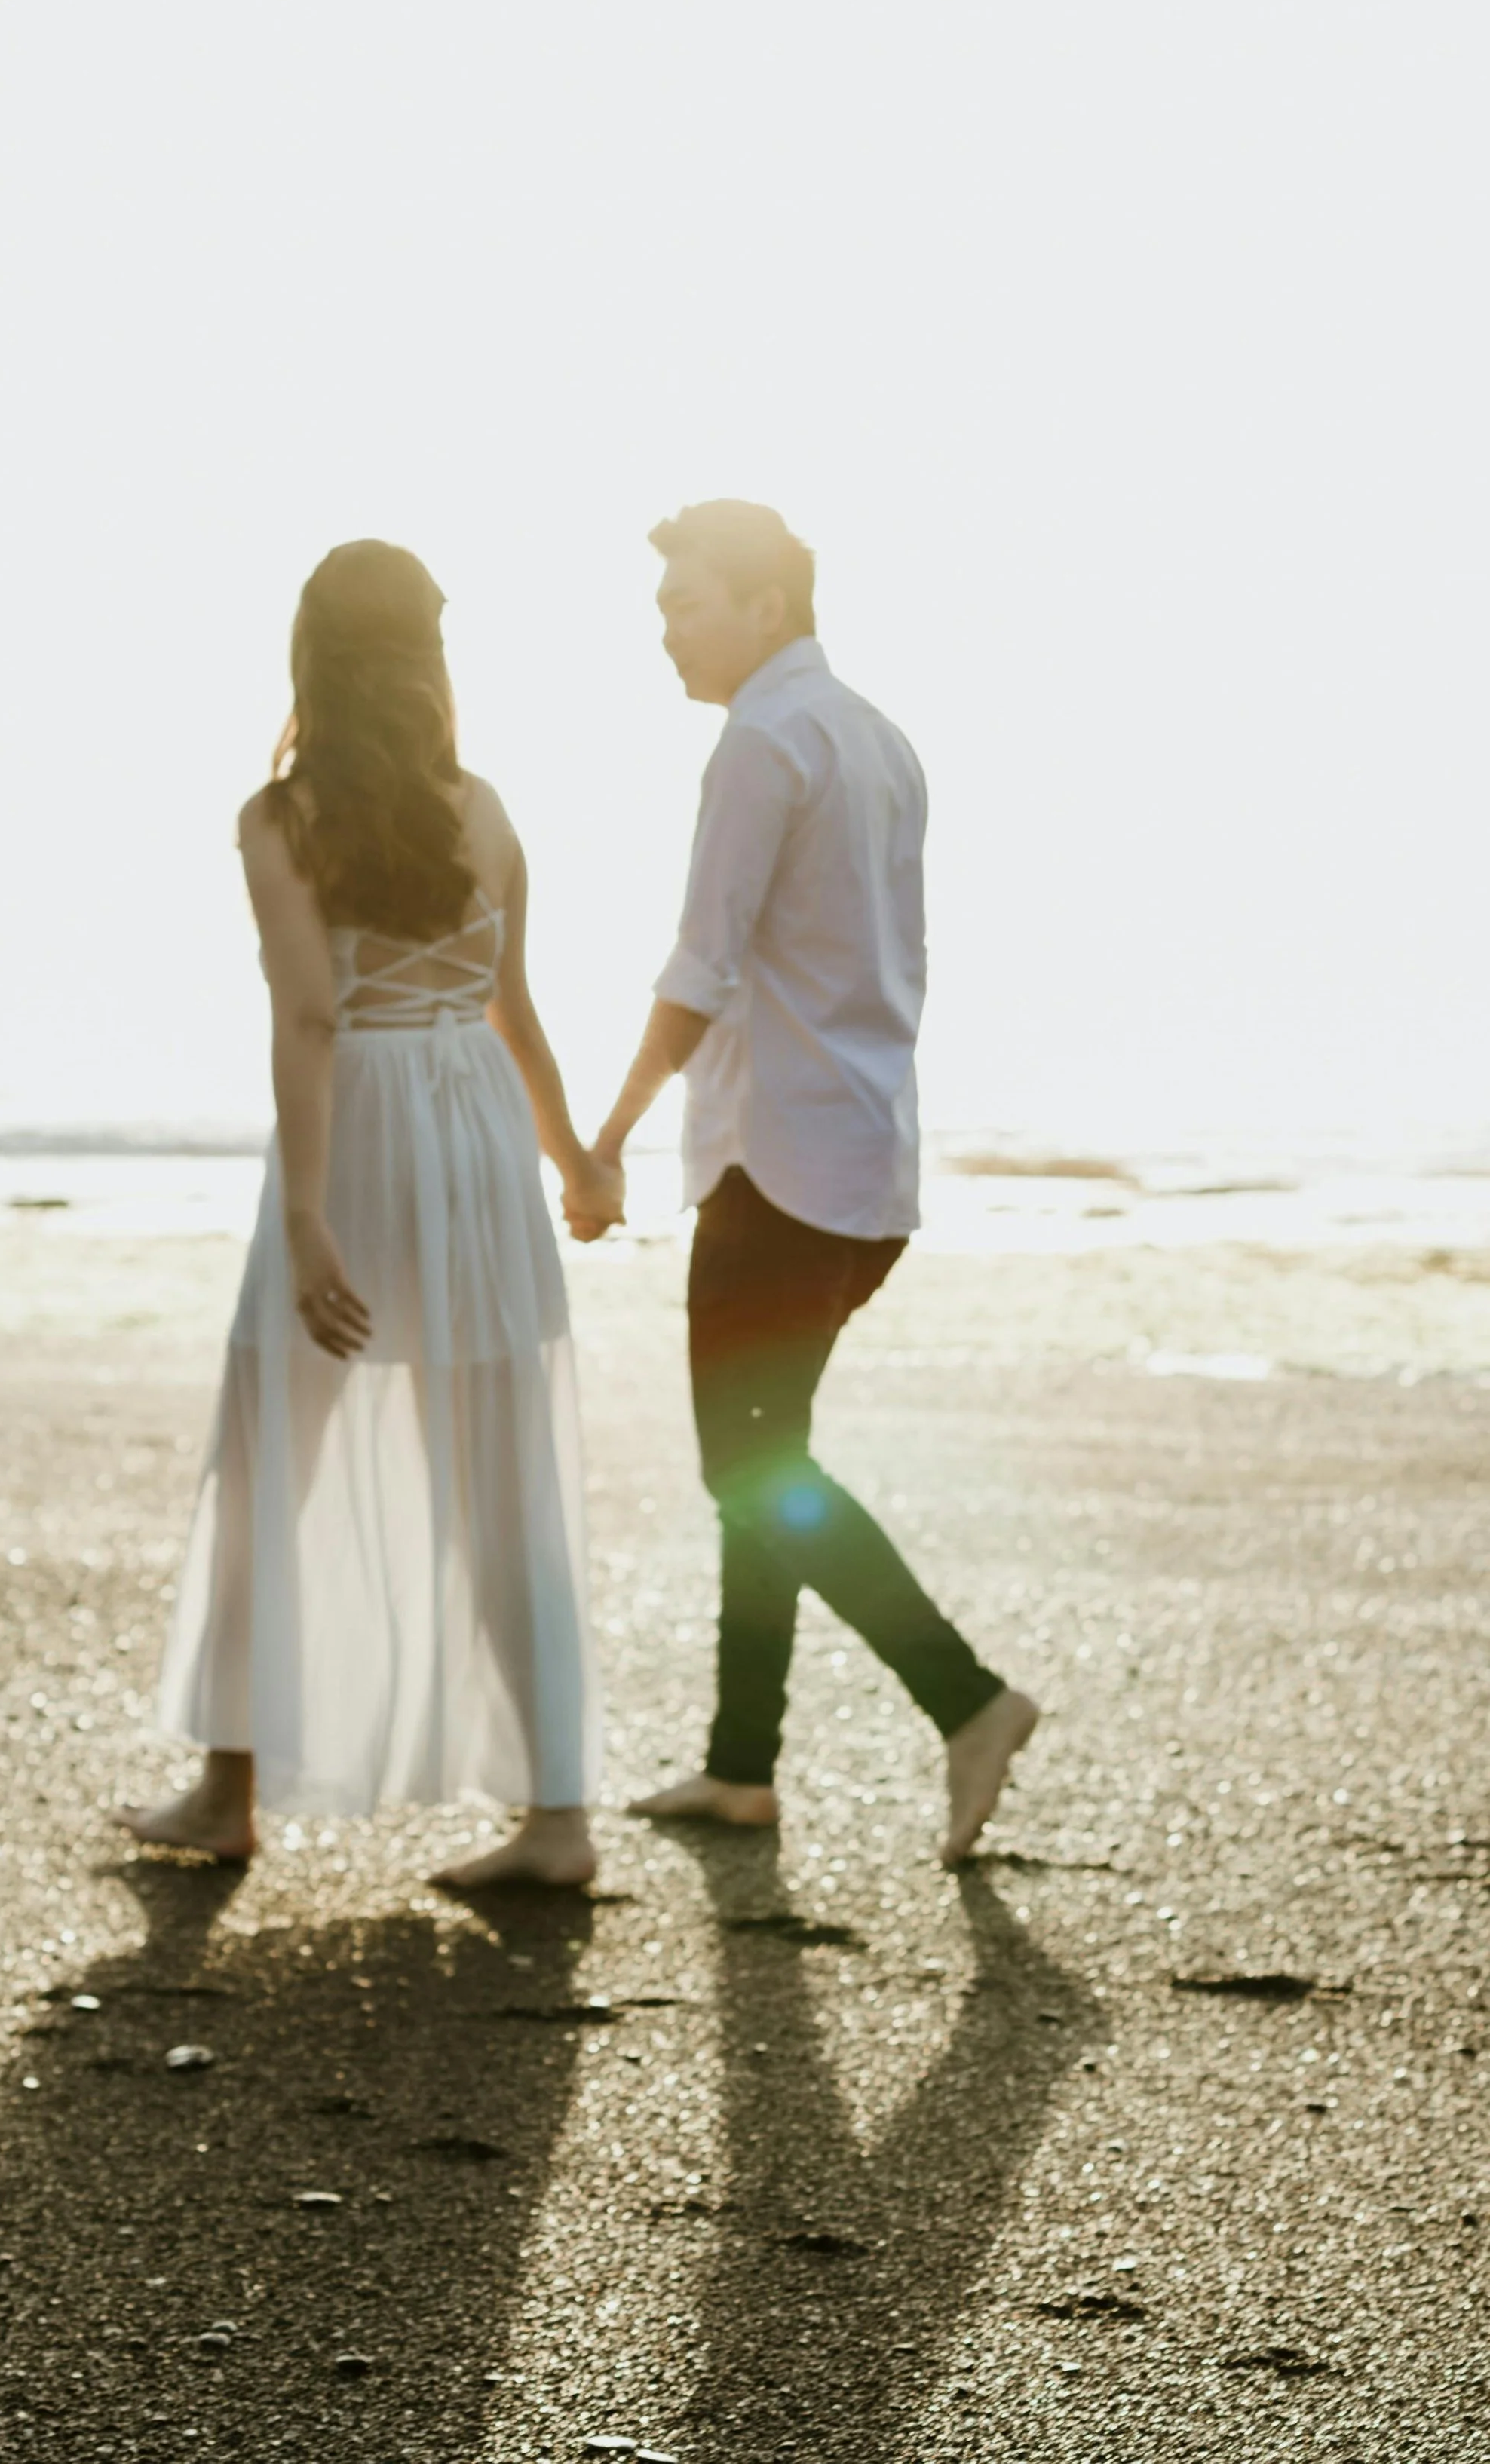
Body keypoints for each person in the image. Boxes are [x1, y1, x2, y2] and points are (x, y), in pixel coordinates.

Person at [122, 541, 609, 1889]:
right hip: (476, 1129)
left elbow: (312, 1015)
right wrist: (571, 1158)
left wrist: (311, 1222)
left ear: (312, 658)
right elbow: (514, 1006)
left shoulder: (282, 820)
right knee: (503, 1474)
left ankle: (228, 1791)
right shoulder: (487, 808)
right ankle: (558, 1819)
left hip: (363, 1134)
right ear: (429, 658)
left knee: (269, 1458)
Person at [566, 500, 1038, 1866]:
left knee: (749, 1461)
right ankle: (739, 1766)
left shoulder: (765, 742)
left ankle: (968, 1698)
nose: (668, 628)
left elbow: (698, 969)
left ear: (769, 606)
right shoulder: (880, 738)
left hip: (777, 1169)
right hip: (864, 1164)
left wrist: (601, 1143)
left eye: (688, 602)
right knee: (765, 1457)